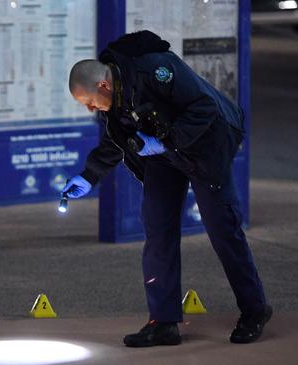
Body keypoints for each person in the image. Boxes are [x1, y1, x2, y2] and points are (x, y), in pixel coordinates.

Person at [64, 30, 271, 347]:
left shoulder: (156, 70)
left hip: (206, 145)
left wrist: (163, 141)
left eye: (90, 102)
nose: (91, 109)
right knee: (157, 227)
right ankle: (163, 321)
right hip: (165, 153)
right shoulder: (116, 99)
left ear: (103, 85)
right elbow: (116, 137)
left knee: (222, 230)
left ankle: (255, 310)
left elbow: (204, 108)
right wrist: (88, 176)